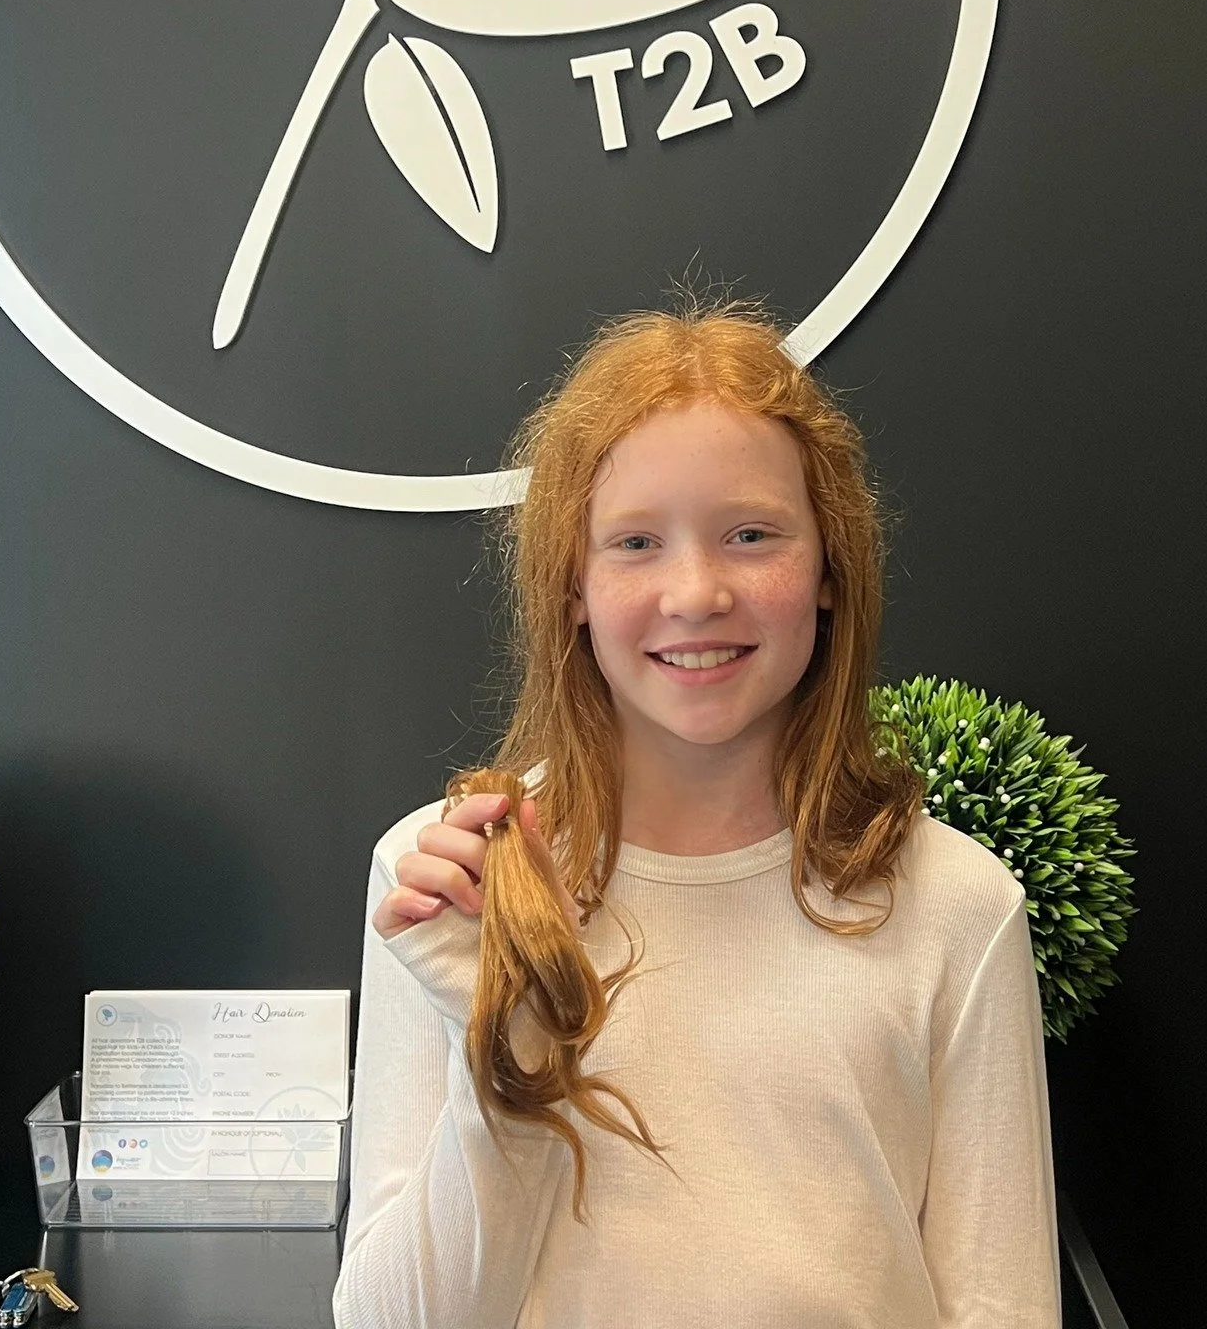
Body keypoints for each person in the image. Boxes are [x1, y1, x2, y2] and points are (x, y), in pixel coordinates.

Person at [333, 304, 1060, 1329]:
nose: (695, 592)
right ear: (573, 586)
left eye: (751, 535)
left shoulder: (955, 905)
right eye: (634, 543)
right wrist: (510, 1064)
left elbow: (1002, 1304)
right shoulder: (447, 883)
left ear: (828, 573)